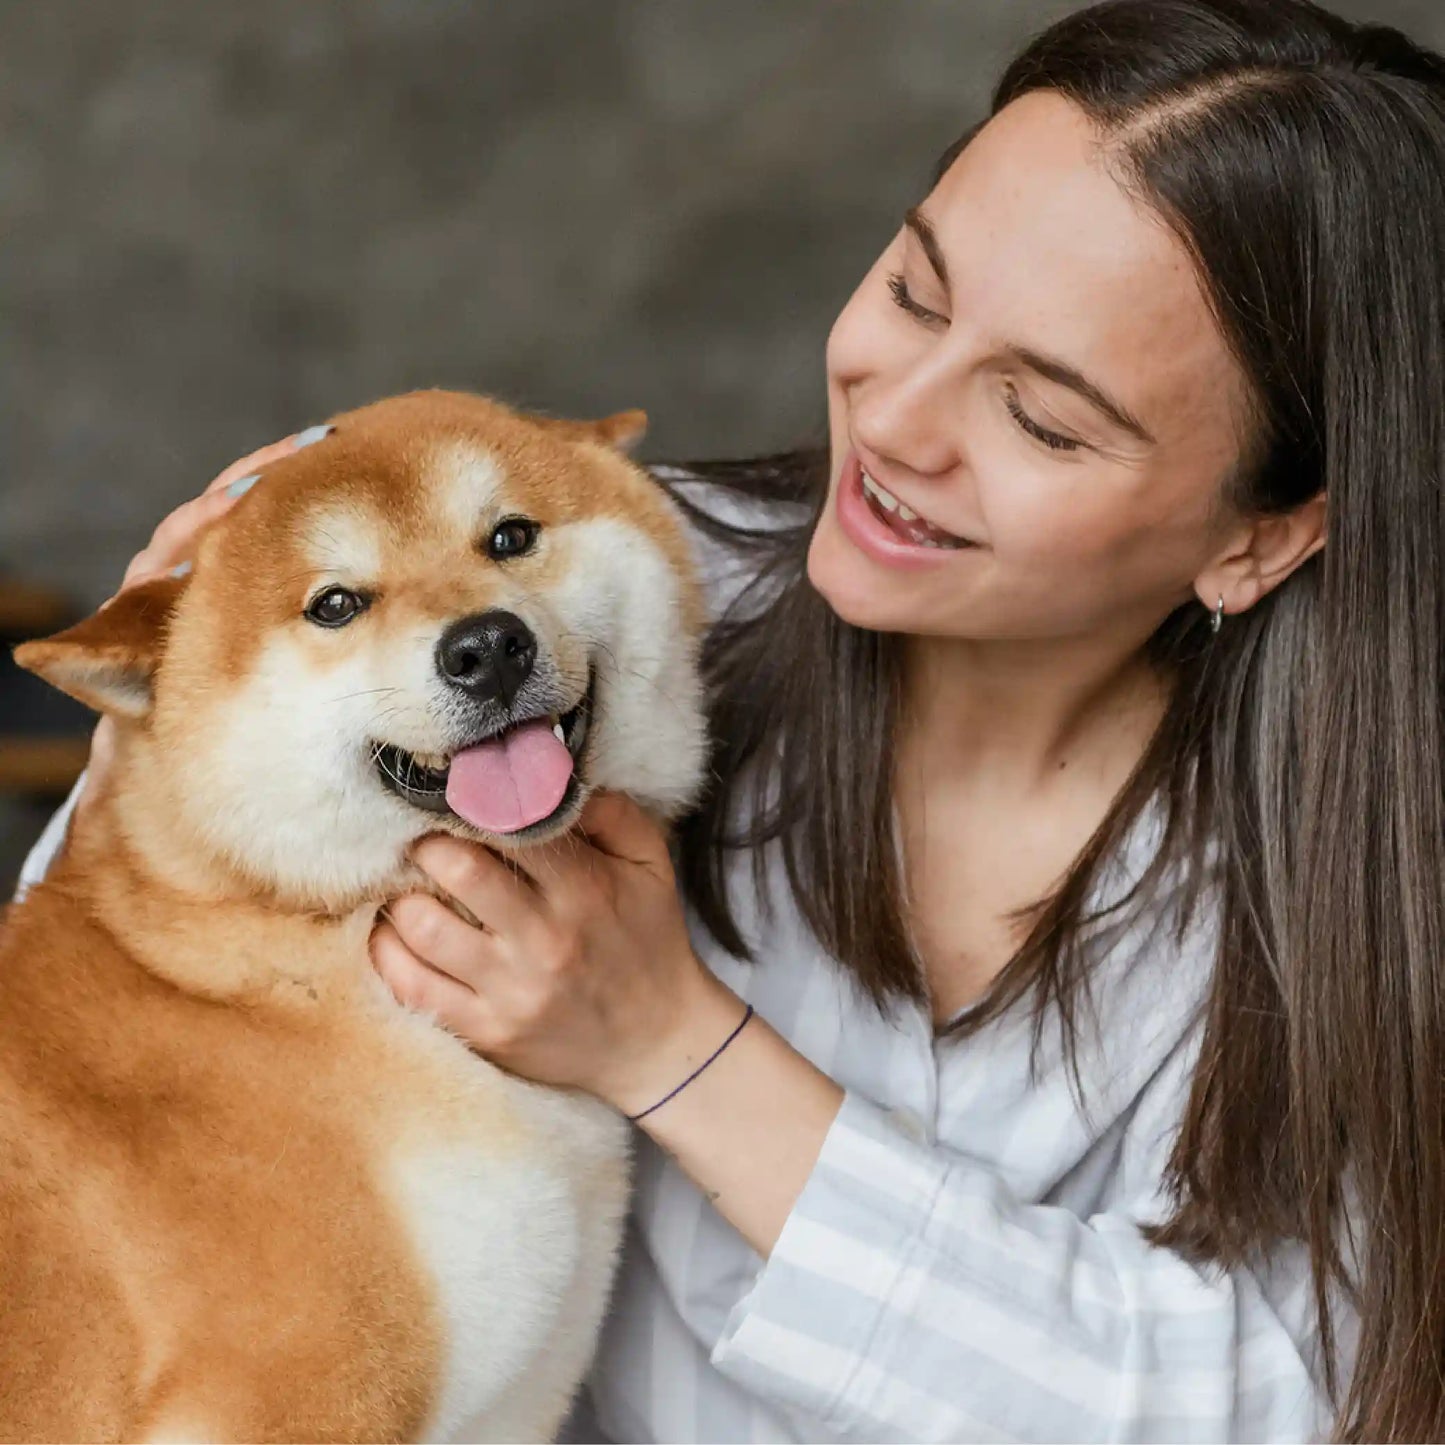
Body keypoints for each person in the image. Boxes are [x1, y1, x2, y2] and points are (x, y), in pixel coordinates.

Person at [19, 0, 1445, 1436]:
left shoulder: (1360, 877)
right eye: (915, 292)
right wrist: (174, 712)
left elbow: (1300, 1401)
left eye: (1042, 417)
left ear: (1264, 535)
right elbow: (102, 1086)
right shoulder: (588, 584)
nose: (896, 424)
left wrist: (675, 1050)